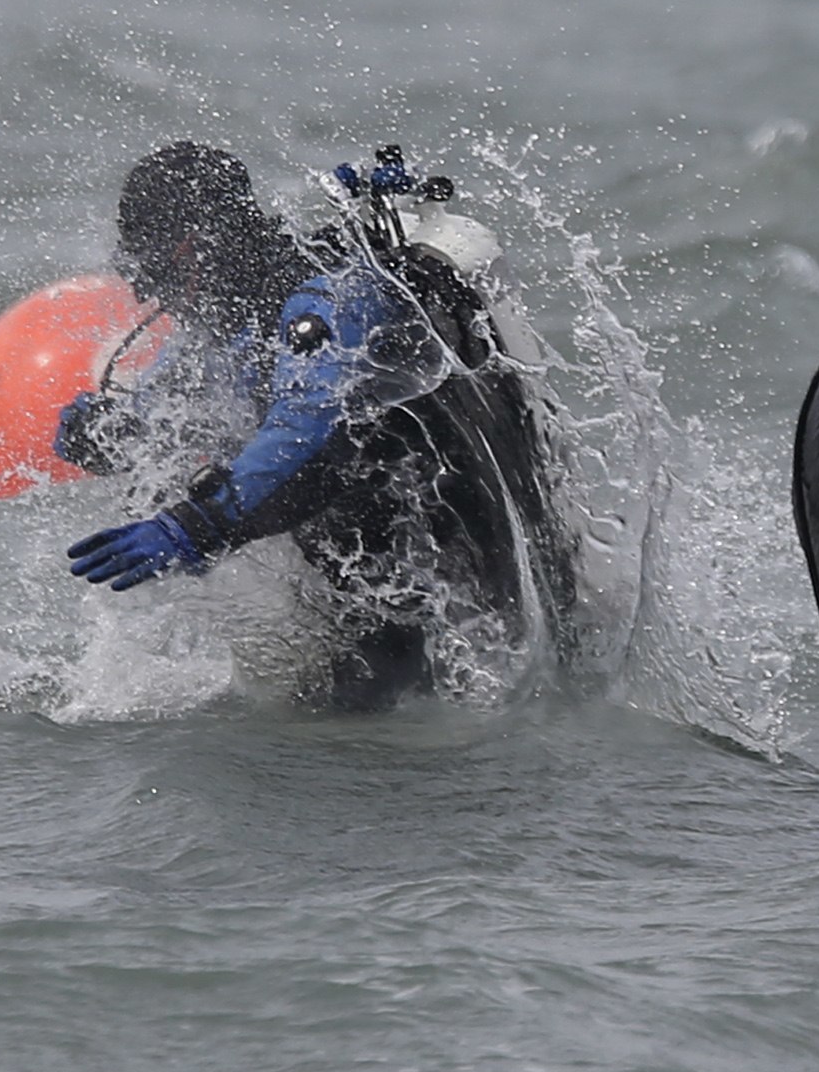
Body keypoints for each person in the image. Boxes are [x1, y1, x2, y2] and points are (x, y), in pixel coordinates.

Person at [56, 140, 573, 707]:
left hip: (457, 528)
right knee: (340, 700)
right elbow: (171, 407)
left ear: (189, 251)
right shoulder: (230, 321)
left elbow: (307, 429)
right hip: (380, 544)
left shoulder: (325, 297)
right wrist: (109, 432)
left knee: (383, 699)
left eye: (149, 262)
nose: (141, 287)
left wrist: (193, 526)